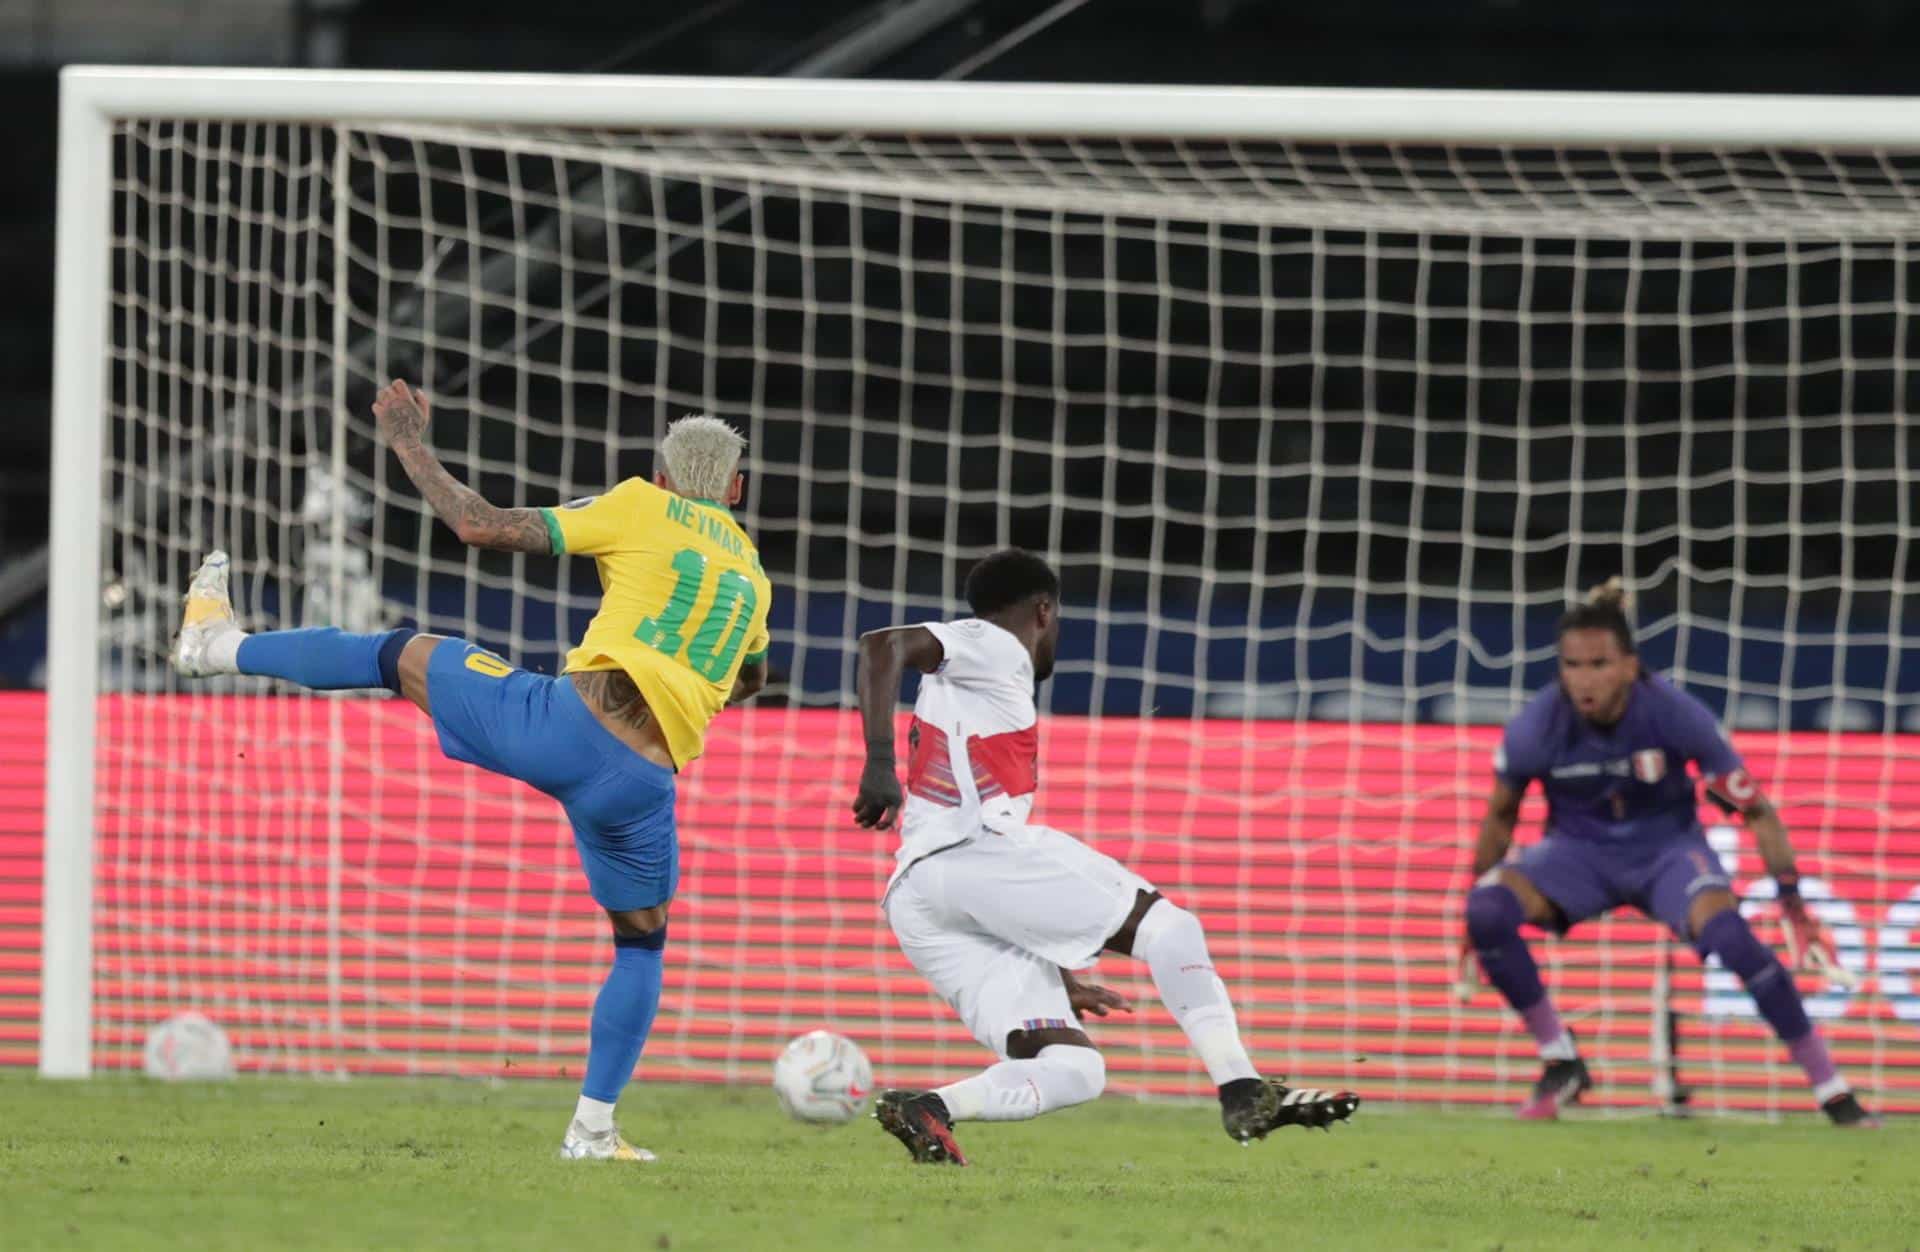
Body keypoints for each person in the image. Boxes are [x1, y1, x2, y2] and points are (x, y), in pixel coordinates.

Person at [172, 379, 773, 1159]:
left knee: (400, 655)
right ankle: (593, 1129)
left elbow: (475, 525)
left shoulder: (640, 504)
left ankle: (214, 645)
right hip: (643, 784)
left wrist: (406, 438)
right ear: (736, 489)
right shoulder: (753, 576)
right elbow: (752, 678)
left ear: (662, 478)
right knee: (641, 946)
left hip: (562, 728)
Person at [851, 547, 1358, 1165]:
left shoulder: (965, 679)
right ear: (1043, 611)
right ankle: (1244, 1088)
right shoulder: (994, 643)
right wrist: (878, 762)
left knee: (1073, 1068)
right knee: (1172, 931)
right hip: (973, 854)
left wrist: (1062, 976)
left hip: (921, 897)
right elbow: (881, 644)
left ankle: (928, 1107)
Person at [1464, 578, 1875, 1126]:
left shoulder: (1675, 716)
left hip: (1667, 853)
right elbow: (1499, 817)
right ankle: (1561, 1059)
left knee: (1731, 936)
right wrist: (1470, 916)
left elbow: (1756, 810)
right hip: (1577, 857)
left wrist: (1793, 903)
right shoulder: (1537, 727)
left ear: (1630, 665)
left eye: (1598, 664)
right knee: (1486, 910)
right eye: (1572, 665)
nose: (1583, 680)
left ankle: (1833, 1090)